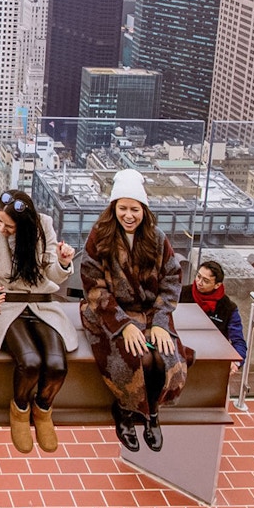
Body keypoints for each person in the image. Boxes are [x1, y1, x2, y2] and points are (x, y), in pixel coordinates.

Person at [79, 169, 193, 453]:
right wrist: (123, 324)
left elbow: (171, 280)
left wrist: (160, 322)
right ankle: (125, 411)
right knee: (134, 356)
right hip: (108, 313)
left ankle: (152, 412)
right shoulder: (100, 237)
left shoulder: (156, 238)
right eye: (122, 208)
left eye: (135, 209)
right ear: (113, 208)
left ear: (144, 210)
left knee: (162, 357)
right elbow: (94, 287)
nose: (129, 215)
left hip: (149, 311)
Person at [0, 189, 78, 454]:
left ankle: (43, 410)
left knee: (56, 364)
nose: (2, 229)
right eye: (0, 222)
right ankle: (19, 411)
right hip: (7, 304)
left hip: (41, 302)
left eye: (9, 226)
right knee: (30, 362)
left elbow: (51, 271)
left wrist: (64, 263)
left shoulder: (43, 226)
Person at [181, 261, 248, 369]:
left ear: (217, 285)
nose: (199, 282)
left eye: (205, 281)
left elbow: (239, 341)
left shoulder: (228, 308)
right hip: (182, 355)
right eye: (198, 276)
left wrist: (235, 363)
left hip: (212, 359)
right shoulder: (180, 293)